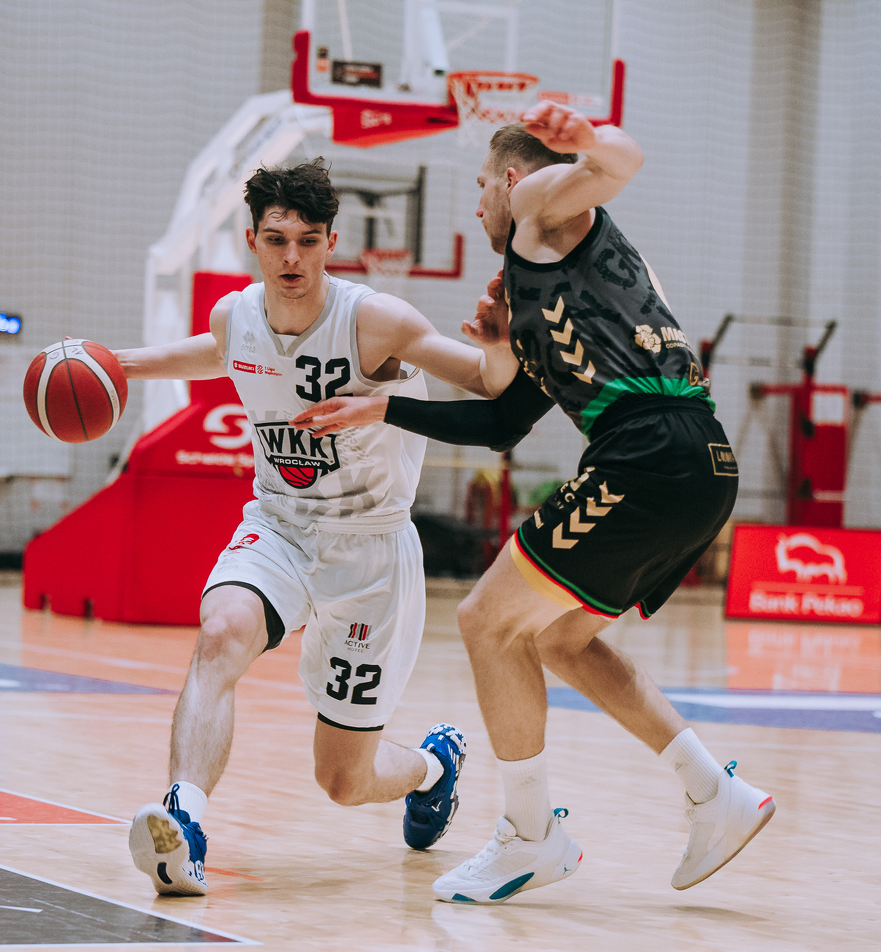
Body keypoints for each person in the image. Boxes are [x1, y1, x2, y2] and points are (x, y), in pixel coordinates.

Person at [292, 105, 775, 903]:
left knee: (485, 621)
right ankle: (712, 791)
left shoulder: (537, 212)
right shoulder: (550, 283)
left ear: (513, 179)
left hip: (646, 457)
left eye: (482, 184)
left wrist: (586, 138)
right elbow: (501, 424)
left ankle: (530, 835)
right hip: (700, 462)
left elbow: (620, 162)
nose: (478, 202)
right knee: (558, 639)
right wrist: (391, 403)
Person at [114, 159, 519, 896]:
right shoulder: (235, 316)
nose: (292, 258)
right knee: (220, 632)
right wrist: (118, 365)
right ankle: (184, 824)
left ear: (332, 241)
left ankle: (435, 766)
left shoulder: (376, 321)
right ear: (253, 241)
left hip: (373, 552)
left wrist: (497, 345)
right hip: (281, 526)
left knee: (343, 779)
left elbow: (488, 385)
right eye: (276, 240)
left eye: (307, 240)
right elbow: (218, 353)